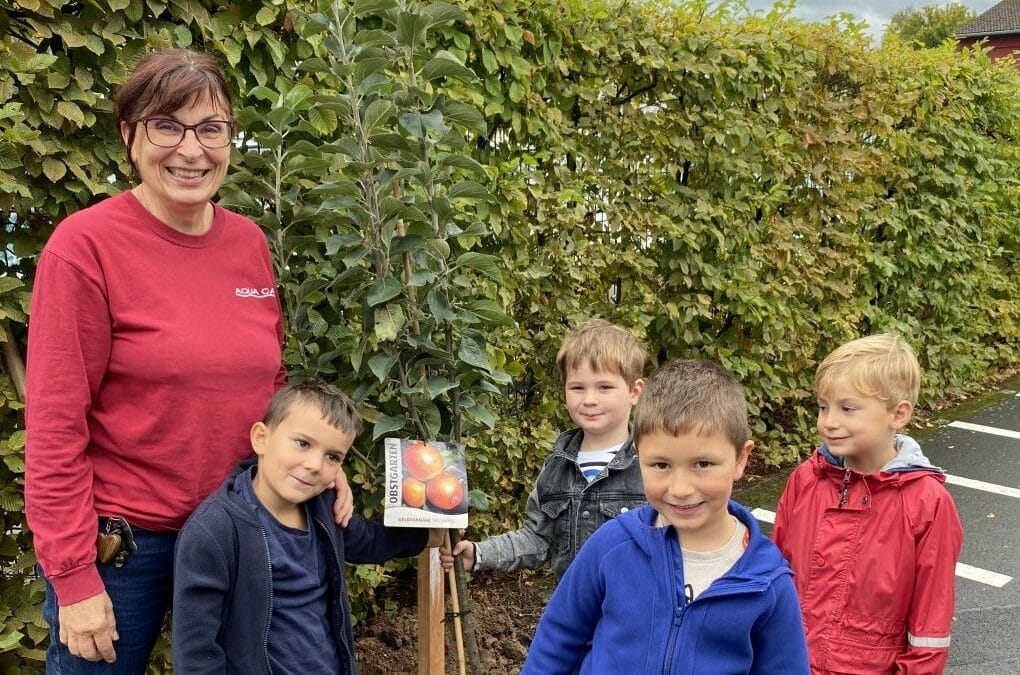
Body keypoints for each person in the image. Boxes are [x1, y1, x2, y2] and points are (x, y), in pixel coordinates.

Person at [23, 48, 352, 671]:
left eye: (211, 128)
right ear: (129, 136)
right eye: (166, 126)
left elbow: (270, 383)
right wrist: (73, 576)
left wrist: (313, 454)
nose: (191, 149)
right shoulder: (84, 248)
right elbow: (55, 425)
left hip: (241, 530)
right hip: (126, 550)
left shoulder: (247, 242)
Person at [521, 359, 810, 674]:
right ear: (638, 457)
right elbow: (559, 635)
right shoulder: (611, 546)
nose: (681, 489)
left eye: (702, 464)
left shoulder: (767, 581)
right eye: (661, 465)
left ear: (741, 459)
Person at [172, 380, 443, 674]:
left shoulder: (323, 509)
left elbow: (369, 540)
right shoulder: (214, 533)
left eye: (332, 457)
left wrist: (429, 534)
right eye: (303, 443)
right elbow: (196, 655)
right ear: (261, 438)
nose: (315, 464)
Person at [772, 333, 963, 674]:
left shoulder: (927, 503)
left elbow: (930, 626)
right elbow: (774, 572)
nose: (828, 422)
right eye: (823, 406)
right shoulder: (807, 479)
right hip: (792, 661)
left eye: (847, 408)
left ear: (898, 414)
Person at [440, 318, 647, 581]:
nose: (590, 399)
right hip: (573, 615)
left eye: (604, 387)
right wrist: (479, 553)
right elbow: (536, 538)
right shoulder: (556, 467)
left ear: (634, 391)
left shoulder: (651, 463)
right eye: (577, 388)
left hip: (634, 616)